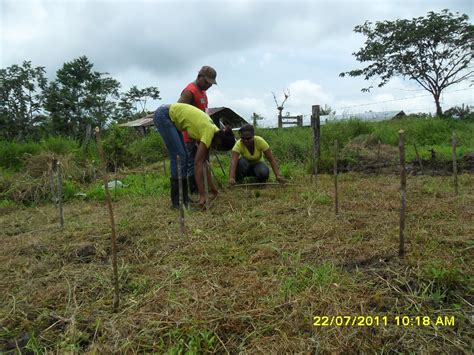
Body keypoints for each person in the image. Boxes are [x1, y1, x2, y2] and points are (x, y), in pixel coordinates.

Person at [153, 103, 235, 209]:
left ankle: (184, 197)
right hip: (164, 115)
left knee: (185, 157)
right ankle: (177, 201)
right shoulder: (208, 132)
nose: (216, 149)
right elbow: (198, 164)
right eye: (219, 147)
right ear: (219, 140)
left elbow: (205, 164)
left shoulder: (213, 131)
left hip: (170, 117)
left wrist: (212, 188)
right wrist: (202, 195)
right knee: (179, 156)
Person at [177, 65, 217, 194]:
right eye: (207, 82)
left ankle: (205, 187)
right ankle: (193, 191)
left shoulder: (203, 93)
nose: (209, 86)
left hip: (202, 135)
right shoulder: (190, 91)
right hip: (190, 137)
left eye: (211, 84)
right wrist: (191, 135)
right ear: (199, 77)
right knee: (193, 163)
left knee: (203, 162)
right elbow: (179, 112)